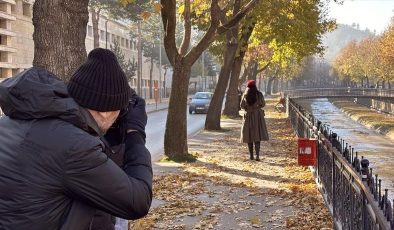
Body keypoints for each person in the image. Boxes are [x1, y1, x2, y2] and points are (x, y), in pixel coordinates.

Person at [0, 48, 152, 230]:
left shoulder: (15, 120)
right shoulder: (75, 148)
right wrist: (135, 133)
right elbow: (137, 202)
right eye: (120, 109)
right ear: (105, 112)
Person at [240, 80, 269, 161]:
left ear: (248, 87)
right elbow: (263, 104)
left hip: (248, 115)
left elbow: (241, 106)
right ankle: (258, 156)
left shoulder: (245, 95)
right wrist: (257, 107)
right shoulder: (259, 94)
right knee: (257, 135)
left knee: (249, 135)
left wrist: (248, 108)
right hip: (257, 116)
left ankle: (251, 156)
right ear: (255, 86)